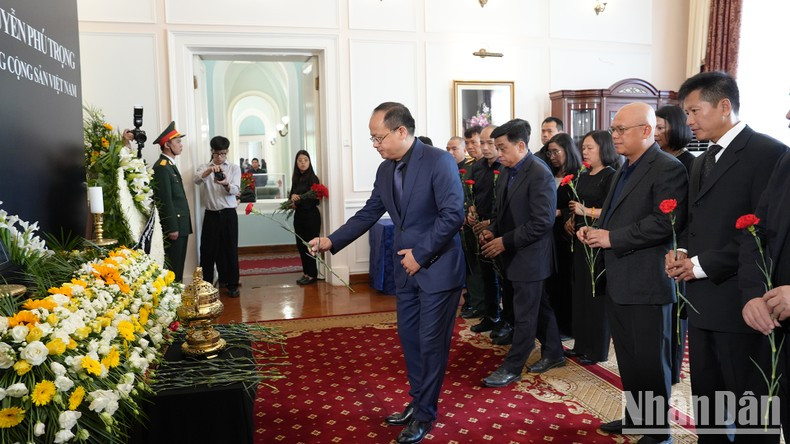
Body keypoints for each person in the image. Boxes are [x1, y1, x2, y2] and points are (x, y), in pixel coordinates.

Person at [309, 102, 465, 444]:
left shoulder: (439, 161)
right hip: (405, 272)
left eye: (378, 137)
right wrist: (331, 240)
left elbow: (453, 215)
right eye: (372, 138)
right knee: (410, 342)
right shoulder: (385, 171)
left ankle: (425, 415)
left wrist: (421, 255)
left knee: (431, 345)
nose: (375, 144)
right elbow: (368, 214)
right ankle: (418, 401)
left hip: (438, 270)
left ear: (401, 131)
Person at [666, 71, 788, 441]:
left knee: (753, 409)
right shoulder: (702, 159)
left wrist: (700, 265)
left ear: (723, 106)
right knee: (708, 400)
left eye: (694, 111)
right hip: (701, 300)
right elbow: (696, 221)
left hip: (743, 300)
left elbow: (762, 233)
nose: (689, 121)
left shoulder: (769, 153)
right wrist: (683, 250)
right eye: (686, 113)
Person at [579, 102, 687, 443]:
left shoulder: (667, 168)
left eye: (621, 129)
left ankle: (657, 432)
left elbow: (664, 223)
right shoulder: (624, 167)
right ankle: (637, 417)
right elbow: (615, 215)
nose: (615, 135)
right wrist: (595, 231)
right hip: (621, 278)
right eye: (613, 129)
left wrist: (611, 238)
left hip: (648, 281)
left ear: (646, 130)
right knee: (628, 356)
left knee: (651, 361)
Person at [479, 118, 564, 387]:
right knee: (539, 306)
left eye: (502, 148)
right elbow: (500, 211)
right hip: (513, 253)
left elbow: (542, 222)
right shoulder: (507, 170)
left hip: (531, 256)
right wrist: (492, 229)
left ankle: (513, 366)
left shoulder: (539, 173)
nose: (498, 154)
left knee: (524, 314)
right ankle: (554, 352)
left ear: (520, 145)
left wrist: (504, 241)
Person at [740, 106, 790, 443]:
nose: (787, 114)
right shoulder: (787, 162)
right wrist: (753, 294)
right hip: (778, 323)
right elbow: (757, 231)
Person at [564, 130, 617, 365]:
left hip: (598, 242)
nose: (584, 152)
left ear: (604, 149)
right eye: (583, 147)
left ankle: (597, 349)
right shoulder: (584, 175)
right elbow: (576, 205)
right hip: (580, 239)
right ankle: (581, 344)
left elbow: (612, 212)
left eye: (589, 148)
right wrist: (571, 219)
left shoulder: (611, 176)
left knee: (596, 295)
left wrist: (585, 212)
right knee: (580, 293)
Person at [654, 104, 695, 385]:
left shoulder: (690, 163)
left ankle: (673, 367)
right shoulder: (656, 161)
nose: (655, 133)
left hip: (680, 247)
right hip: (658, 248)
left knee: (677, 314)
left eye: (660, 127)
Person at [467, 125, 506, 342]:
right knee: (486, 276)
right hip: (479, 229)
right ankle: (491, 315)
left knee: (503, 278)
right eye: (482, 143)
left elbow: (506, 205)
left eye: (490, 143)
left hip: (498, 229)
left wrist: (490, 223)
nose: (485, 147)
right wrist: (471, 211)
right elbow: (472, 194)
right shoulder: (478, 167)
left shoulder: (506, 167)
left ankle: (505, 320)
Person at [194, 136, 241, 296]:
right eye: (217, 154)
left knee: (230, 249)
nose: (220, 157)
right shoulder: (204, 167)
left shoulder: (234, 168)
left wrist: (226, 184)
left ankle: (232, 285)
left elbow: (236, 190)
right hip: (211, 214)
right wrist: (209, 171)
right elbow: (196, 180)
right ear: (212, 151)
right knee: (207, 250)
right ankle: (206, 285)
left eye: (223, 153)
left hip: (229, 214)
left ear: (227, 152)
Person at [546, 133, 582, 339]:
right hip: (548, 233)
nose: (552, 156)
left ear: (567, 151)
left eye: (556, 152)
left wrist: (561, 212)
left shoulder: (578, 175)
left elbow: (579, 205)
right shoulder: (548, 172)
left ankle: (568, 326)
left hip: (565, 234)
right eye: (549, 152)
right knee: (553, 281)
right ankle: (555, 323)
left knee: (566, 281)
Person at [151, 121, 192, 282]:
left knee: (179, 266)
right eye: (178, 141)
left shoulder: (169, 165)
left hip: (181, 224)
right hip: (175, 226)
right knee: (173, 268)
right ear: (167, 145)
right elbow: (165, 199)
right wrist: (172, 227)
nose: (181, 145)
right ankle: (173, 296)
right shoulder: (162, 167)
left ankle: (177, 294)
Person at [290, 150, 322, 285]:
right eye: (300, 160)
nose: (303, 163)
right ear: (296, 163)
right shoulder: (296, 178)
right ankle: (306, 273)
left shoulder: (313, 178)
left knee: (310, 246)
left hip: (311, 216)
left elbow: (314, 200)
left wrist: (298, 201)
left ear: (309, 162)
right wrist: (292, 199)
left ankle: (312, 274)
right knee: (301, 246)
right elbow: (292, 196)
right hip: (299, 216)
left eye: (305, 160)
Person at [655, 105, 695, 173]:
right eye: (653, 128)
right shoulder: (653, 157)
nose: (654, 133)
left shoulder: (691, 164)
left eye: (660, 128)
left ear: (677, 129)